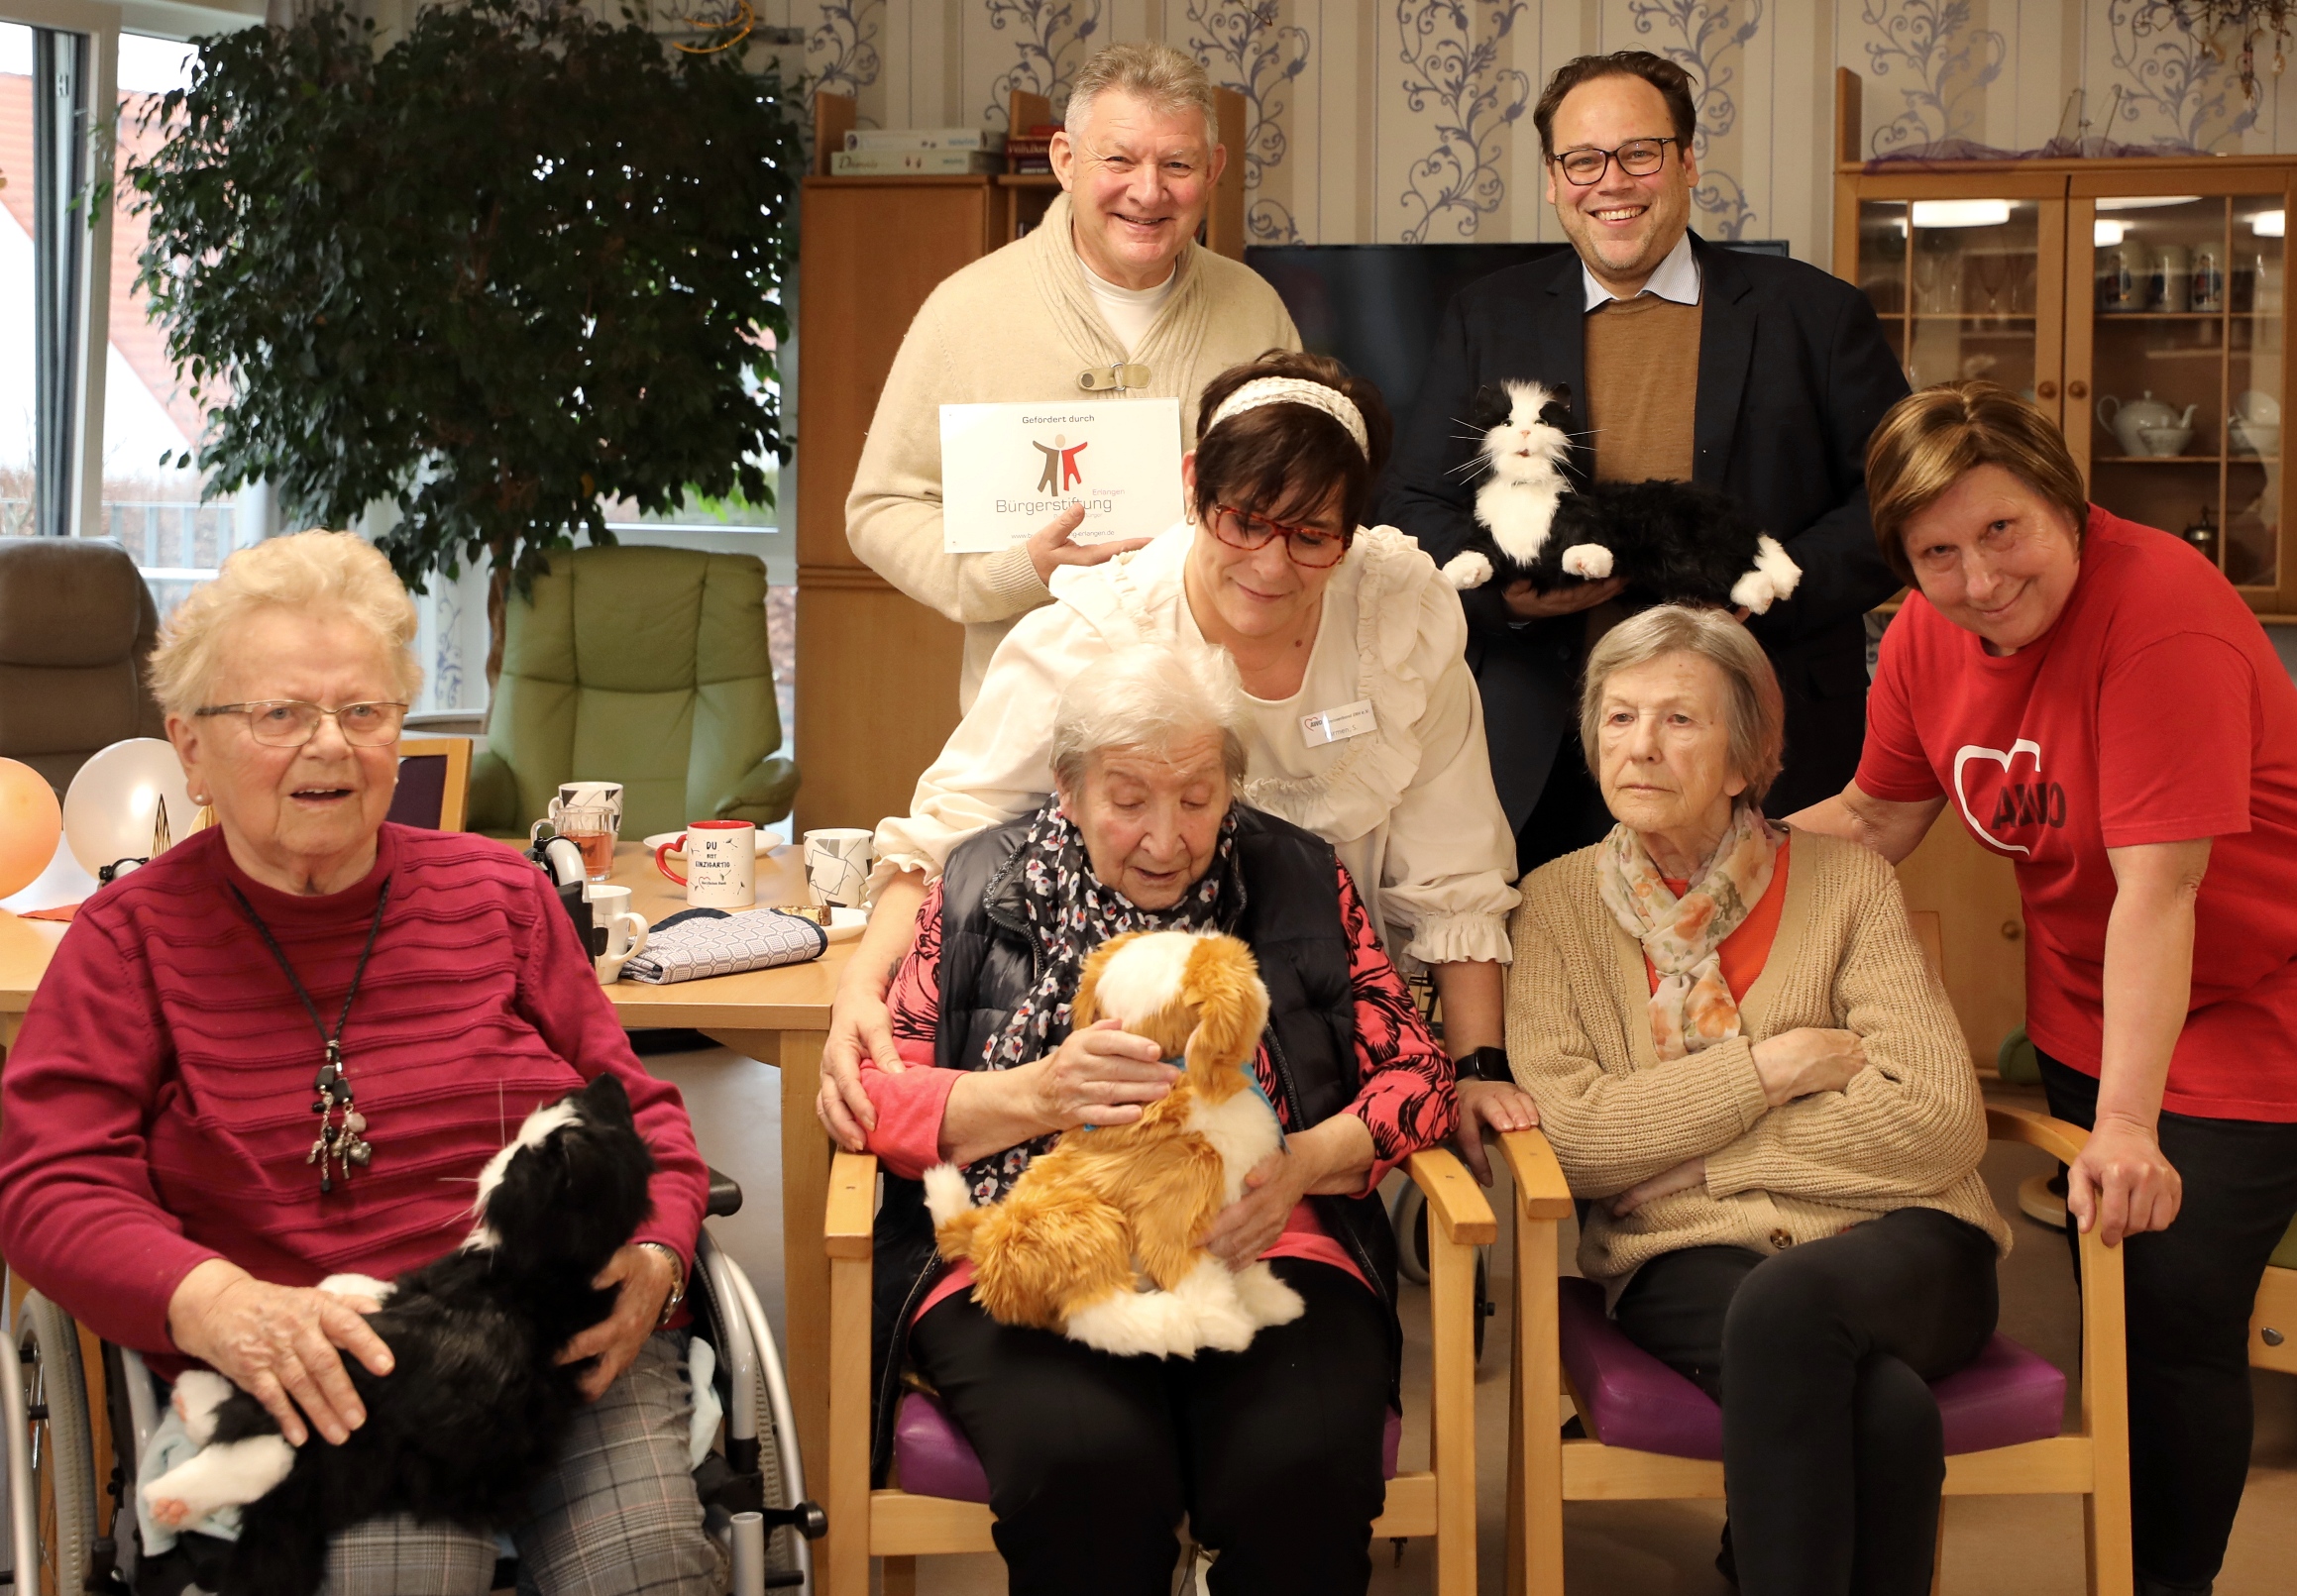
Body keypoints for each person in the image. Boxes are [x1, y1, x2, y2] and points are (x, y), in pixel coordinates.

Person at [0, 532, 716, 1596]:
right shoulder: (127, 940)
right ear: (189, 749)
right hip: (317, 1365)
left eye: (364, 712)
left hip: (555, 1342)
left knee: (650, 1571)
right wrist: (214, 1303)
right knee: (401, 1574)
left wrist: (655, 1260)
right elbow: (52, 1187)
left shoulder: (503, 898)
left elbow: (643, 1117)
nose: (328, 746)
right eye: (279, 715)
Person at [1791, 381, 2297, 1596]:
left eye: (2002, 530)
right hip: (2093, 994)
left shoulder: (2158, 617)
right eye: (1936, 552)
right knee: (2113, 1323)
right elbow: (1874, 814)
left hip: (2251, 997)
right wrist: (1694, 862)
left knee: (2175, 1328)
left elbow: (2159, 895)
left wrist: (2124, 1123)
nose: (1976, 578)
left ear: (2066, 502)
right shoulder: (1927, 633)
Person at [820, 350, 1536, 1183]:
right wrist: (860, 993)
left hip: (1318, 1011)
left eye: (1313, 538)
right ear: (1195, 486)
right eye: (1245, 522)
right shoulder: (1092, 631)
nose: (1272, 566)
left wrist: (1478, 1063)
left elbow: (1457, 859)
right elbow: (950, 835)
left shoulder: (1399, 615)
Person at [844, 643, 1459, 1595]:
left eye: (1198, 797)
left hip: (1269, 1243)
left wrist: (1297, 1163)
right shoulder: (974, 887)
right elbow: (874, 1097)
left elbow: (1419, 1074)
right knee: (1087, 1466)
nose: (1168, 838)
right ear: (1070, 788)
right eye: (1129, 799)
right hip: (1033, 1241)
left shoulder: (1300, 876)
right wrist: (1041, 1095)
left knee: (1294, 1467)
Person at [1508, 602, 2009, 1596]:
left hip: (1908, 1239)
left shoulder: (1849, 885)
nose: (1638, 747)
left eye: (1677, 720)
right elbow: (1576, 1141)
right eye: (1616, 717)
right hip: (1686, 1259)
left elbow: (1938, 1118)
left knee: (1792, 1305)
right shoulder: (1552, 906)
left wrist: (1706, 1160)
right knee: (1885, 1412)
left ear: (1745, 759)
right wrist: (1769, 1069)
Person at [1380, 49, 1908, 875]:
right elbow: (1413, 504)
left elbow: (1896, 509)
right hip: (1545, 754)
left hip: (1760, 741)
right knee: (1562, 994)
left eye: (1640, 153)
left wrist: (1758, 594)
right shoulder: (1488, 315)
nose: (1611, 182)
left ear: (1688, 160)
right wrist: (1513, 596)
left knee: (1767, 996)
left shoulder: (1816, 315)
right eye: (1582, 160)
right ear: (1554, 180)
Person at [846, 40, 1301, 708]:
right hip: (1030, 724)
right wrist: (1016, 572)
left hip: (1216, 718)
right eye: (1117, 160)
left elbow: (1300, 499)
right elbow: (879, 509)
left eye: (1177, 164)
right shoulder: (964, 311)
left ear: (1213, 168)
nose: (1147, 192)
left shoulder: (1255, 309)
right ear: (1064, 159)